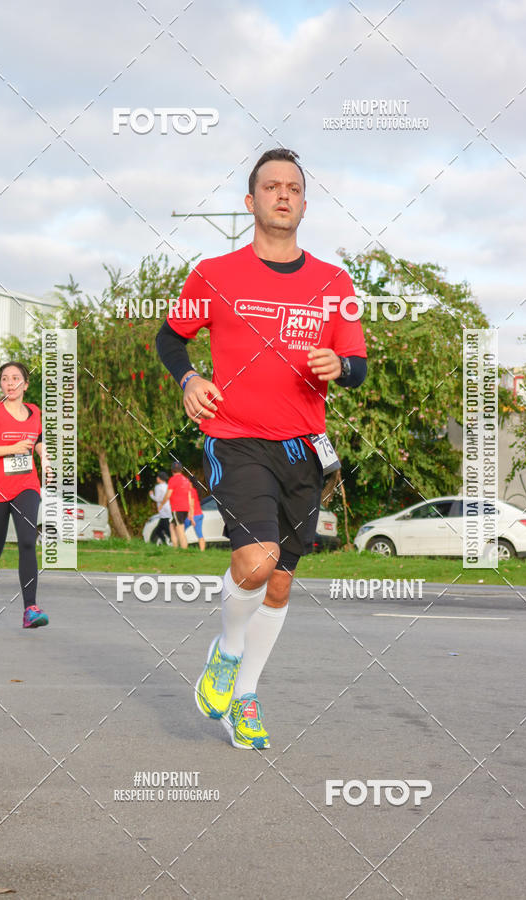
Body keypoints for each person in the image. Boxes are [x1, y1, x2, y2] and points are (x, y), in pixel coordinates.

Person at [156, 148, 367, 749]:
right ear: (251, 202)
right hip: (237, 438)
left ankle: (244, 696)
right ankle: (226, 651)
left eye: (293, 188)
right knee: (256, 561)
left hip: (303, 449)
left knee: (279, 584)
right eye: (271, 187)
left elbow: (357, 366)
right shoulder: (214, 274)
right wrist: (188, 379)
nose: (283, 195)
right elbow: (169, 338)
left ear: (304, 204)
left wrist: (340, 366)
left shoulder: (334, 283)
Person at [0, 362, 50, 631]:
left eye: (16, 378)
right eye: (5, 378)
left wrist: (45, 458)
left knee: (28, 541)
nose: (10, 383)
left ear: (25, 384)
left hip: (26, 486)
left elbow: (38, 439)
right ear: (1, 384)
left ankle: (30, 609)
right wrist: (11, 448)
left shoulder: (35, 412)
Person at [163, 461, 191, 549]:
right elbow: (189, 496)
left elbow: (168, 494)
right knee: (172, 526)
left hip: (177, 508)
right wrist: (190, 510)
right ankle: (175, 547)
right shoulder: (186, 480)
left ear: (172, 470)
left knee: (180, 530)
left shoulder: (172, 480)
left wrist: (161, 504)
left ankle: (184, 550)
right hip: (185, 508)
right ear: (181, 470)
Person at [148, 470, 172, 545]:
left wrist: (151, 495)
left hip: (162, 509)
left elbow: (158, 499)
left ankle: (171, 541)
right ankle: (165, 541)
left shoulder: (158, 487)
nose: (156, 478)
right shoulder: (167, 486)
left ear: (159, 478)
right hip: (168, 508)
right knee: (160, 528)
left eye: (157, 477)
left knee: (165, 527)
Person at [184, 475, 206, 552]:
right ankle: (202, 552)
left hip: (194, 515)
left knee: (180, 531)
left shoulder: (190, 491)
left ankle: (183, 549)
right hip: (200, 514)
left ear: (190, 482)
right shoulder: (195, 490)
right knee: (199, 534)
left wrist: (191, 517)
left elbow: (191, 505)